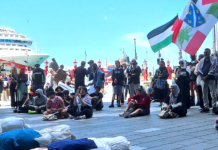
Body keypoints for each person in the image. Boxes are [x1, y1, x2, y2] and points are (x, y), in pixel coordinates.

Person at [198, 48, 217, 113]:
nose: (205, 53)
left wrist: (207, 76)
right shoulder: (202, 60)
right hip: (203, 78)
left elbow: (213, 68)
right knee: (204, 93)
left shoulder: (214, 59)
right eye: (205, 52)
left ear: (209, 52)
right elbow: (199, 69)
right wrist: (203, 77)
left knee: (213, 92)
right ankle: (206, 107)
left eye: (207, 52)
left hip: (211, 77)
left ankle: (214, 106)